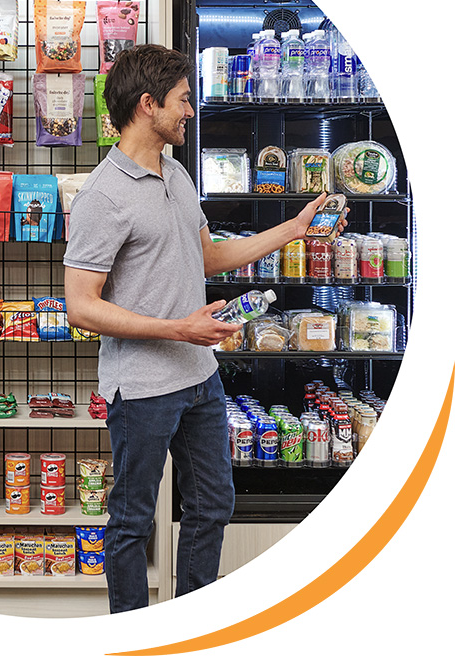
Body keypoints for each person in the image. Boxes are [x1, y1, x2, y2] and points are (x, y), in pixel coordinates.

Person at [63, 44, 342, 614]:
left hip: (200, 379)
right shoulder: (102, 195)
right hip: (142, 389)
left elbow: (209, 257)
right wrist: (178, 328)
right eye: (183, 100)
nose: (191, 111)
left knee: (213, 506)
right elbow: (80, 307)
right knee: (132, 522)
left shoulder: (177, 173)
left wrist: (292, 229)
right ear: (148, 105)